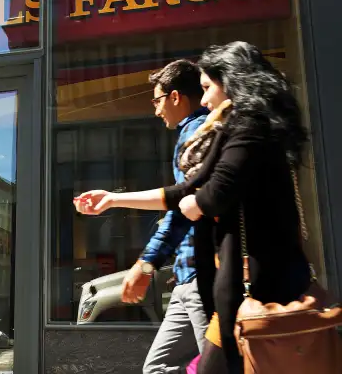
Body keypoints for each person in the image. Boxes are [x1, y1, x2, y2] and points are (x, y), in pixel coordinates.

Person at [74, 41, 312, 374]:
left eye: (207, 88)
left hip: (253, 282)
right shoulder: (228, 129)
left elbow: (209, 194)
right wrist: (113, 199)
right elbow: (183, 190)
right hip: (220, 280)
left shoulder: (246, 128)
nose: (203, 100)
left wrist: (151, 257)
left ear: (230, 82)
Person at [123, 59, 210, 373]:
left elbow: (182, 208)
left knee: (220, 366)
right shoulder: (192, 132)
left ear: (175, 97)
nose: (156, 110)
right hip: (187, 277)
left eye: (157, 100)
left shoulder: (198, 132)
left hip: (203, 275)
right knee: (157, 368)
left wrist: (146, 264)